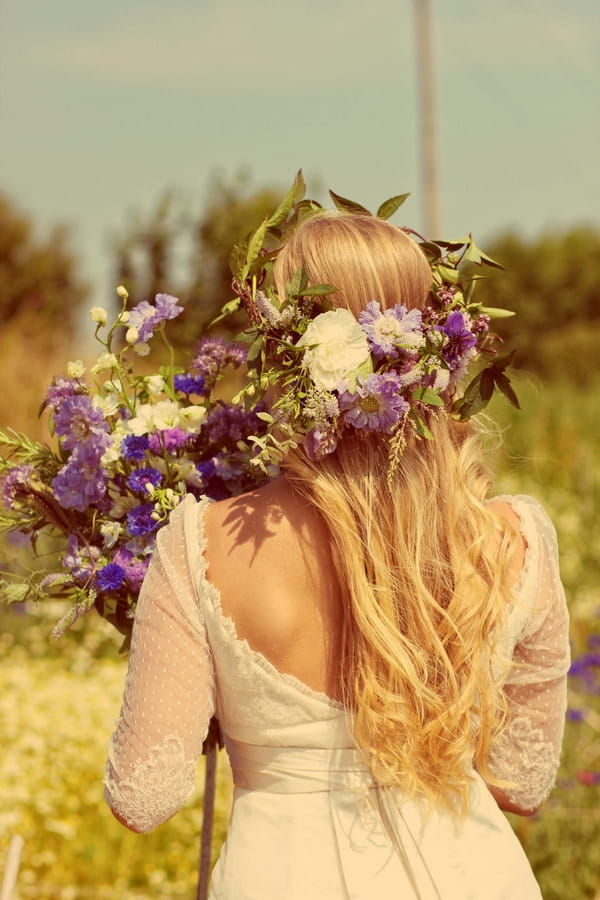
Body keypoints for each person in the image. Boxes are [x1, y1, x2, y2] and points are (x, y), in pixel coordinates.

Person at [104, 212, 570, 899]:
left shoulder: (200, 546)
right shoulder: (515, 540)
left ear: (286, 352)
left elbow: (143, 798)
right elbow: (522, 783)